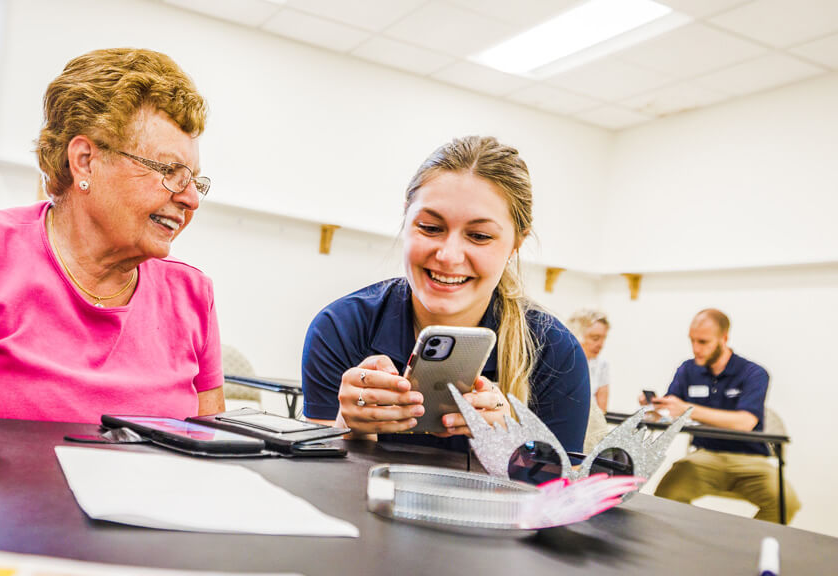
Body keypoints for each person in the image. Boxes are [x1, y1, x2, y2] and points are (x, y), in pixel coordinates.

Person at [0, 48, 224, 422]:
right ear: (85, 160)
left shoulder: (193, 294)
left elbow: (208, 457)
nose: (191, 199)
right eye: (170, 171)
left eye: (195, 180)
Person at [302, 136, 590, 466]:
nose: (448, 256)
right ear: (406, 221)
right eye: (430, 227)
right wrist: (349, 427)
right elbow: (322, 488)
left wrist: (511, 448)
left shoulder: (554, 352)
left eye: (479, 236)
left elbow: (563, 502)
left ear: (516, 244)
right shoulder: (341, 328)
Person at [650, 309, 798, 523]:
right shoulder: (687, 370)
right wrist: (654, 408)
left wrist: (686, 409)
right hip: (704, 457)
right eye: (692, 341)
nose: (696, 348)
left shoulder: (754, 373)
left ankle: (748, 548)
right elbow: (670, 413)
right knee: (666, 495)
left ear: (724, 338)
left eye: (703, 342)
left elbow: (745, 422)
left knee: (786, 504)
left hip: (750, 462)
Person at [567, 308, 610, 411]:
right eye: (595, 338)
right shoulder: (563, 363)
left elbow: (602, 410)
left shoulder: (602, 365)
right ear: (576, 336)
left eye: (603, 339)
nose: (601, 345)